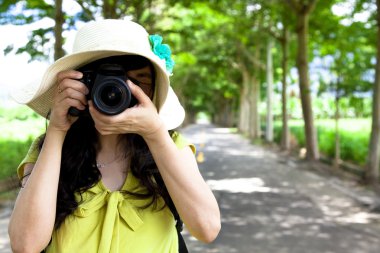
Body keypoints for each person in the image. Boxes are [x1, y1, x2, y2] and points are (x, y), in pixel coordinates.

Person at [8, 19, 221, 253]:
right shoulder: (48, 150)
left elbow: (207, 228)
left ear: (153, 91)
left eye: (138, 81)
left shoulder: (171, 146)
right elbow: (25, 245)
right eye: (106, 80)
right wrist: (58, 130)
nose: (118, 91)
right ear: (79, 81)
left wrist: (155, 134)